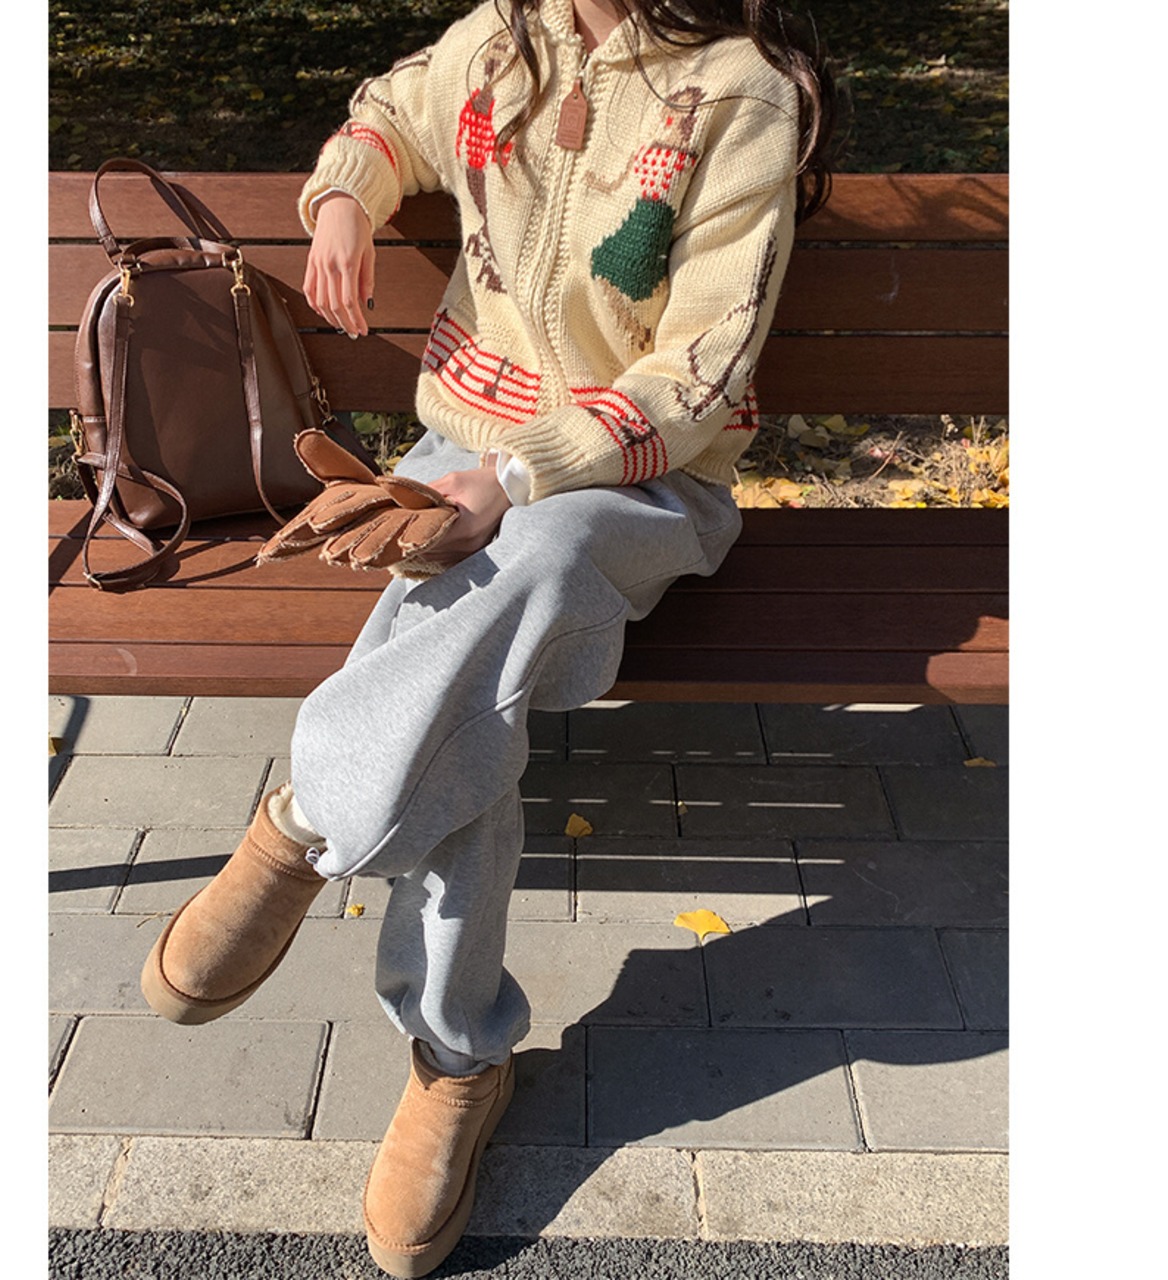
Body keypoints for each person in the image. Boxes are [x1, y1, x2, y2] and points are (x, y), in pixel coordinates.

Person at [139, 1, 834, 1274]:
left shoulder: (740, 94)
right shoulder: (503, 39)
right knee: (474, 697)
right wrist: (343, 196)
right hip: (457, 457)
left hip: (640, 481)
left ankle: (302, 823)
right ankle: (457, 1056)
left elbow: (703, 368)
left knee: (536, 560)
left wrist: (512, 481)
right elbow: (391, 107)